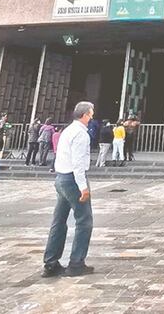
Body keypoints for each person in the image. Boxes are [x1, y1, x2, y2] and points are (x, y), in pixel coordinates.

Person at [42, 101, 96, 278]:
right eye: (91, 112)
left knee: (59, 221)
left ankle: (50, 263)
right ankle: (76, 263)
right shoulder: (81, 134)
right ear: (85, 114)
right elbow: (78, 163)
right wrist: (83, 187)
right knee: (84, 220)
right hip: (73, 180)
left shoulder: (67, 131)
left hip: (61, 178)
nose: (92, 115)